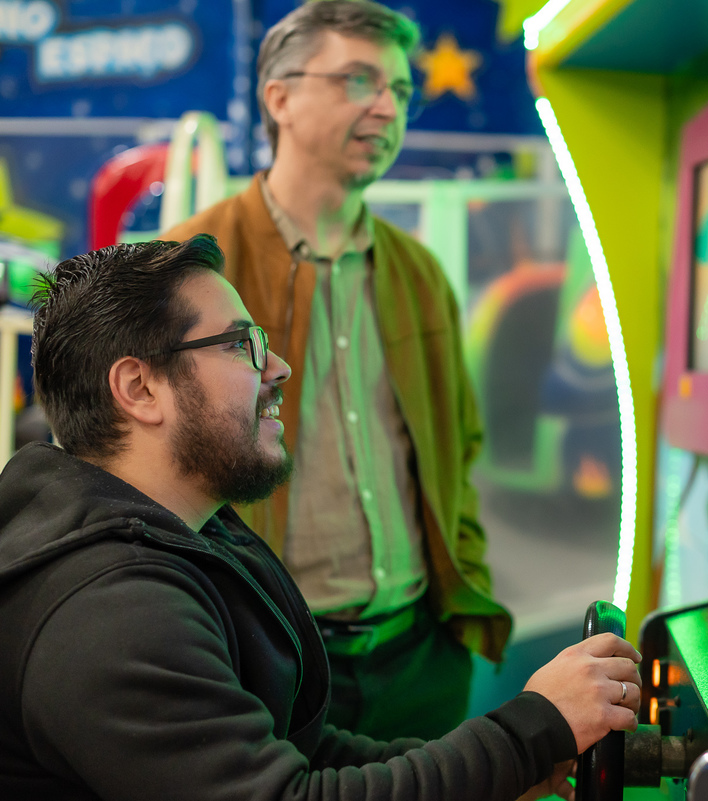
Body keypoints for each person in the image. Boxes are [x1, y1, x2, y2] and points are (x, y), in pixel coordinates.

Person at [0, 235, 642, 800]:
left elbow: (300, 748)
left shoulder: (195, 533)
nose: (278, 368)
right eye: (241, 345)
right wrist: (532, 729)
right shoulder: (110, 610)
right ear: (139, 389)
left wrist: (505, 768)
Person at [162, 0, 503, 740]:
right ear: (279, 98)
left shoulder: (418, 271)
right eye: (359, 81)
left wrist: (459, 582)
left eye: (402, 90)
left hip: (422, 658)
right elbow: (140, 472)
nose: (389, 106)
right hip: (268, 659)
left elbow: (459, 450)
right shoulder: (189, 264)